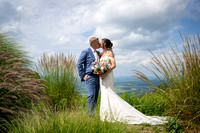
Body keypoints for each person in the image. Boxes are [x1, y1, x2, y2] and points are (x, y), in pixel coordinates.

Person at [99, 38, 166, 125]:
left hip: (108, 76)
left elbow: (114, 65)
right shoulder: (102, 54)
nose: (100, 43)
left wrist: (105, 73)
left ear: (104, 44)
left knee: (110, 93)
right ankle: (107, 114)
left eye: (101, 42)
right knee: (105, 94)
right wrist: (100, 71)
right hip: (102, 76)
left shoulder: (110, 53)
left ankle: (117, 113)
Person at [77, 37, 101, 117]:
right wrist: (83, 75)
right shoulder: (86, 51)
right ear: (92, 44)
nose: (99, 44)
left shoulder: (98, 52)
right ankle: (89, 115)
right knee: (91, 94)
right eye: (98, 42)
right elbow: (79, 64)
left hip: (98, 77)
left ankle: (93, 114)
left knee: (95, 96)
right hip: (90, 77)